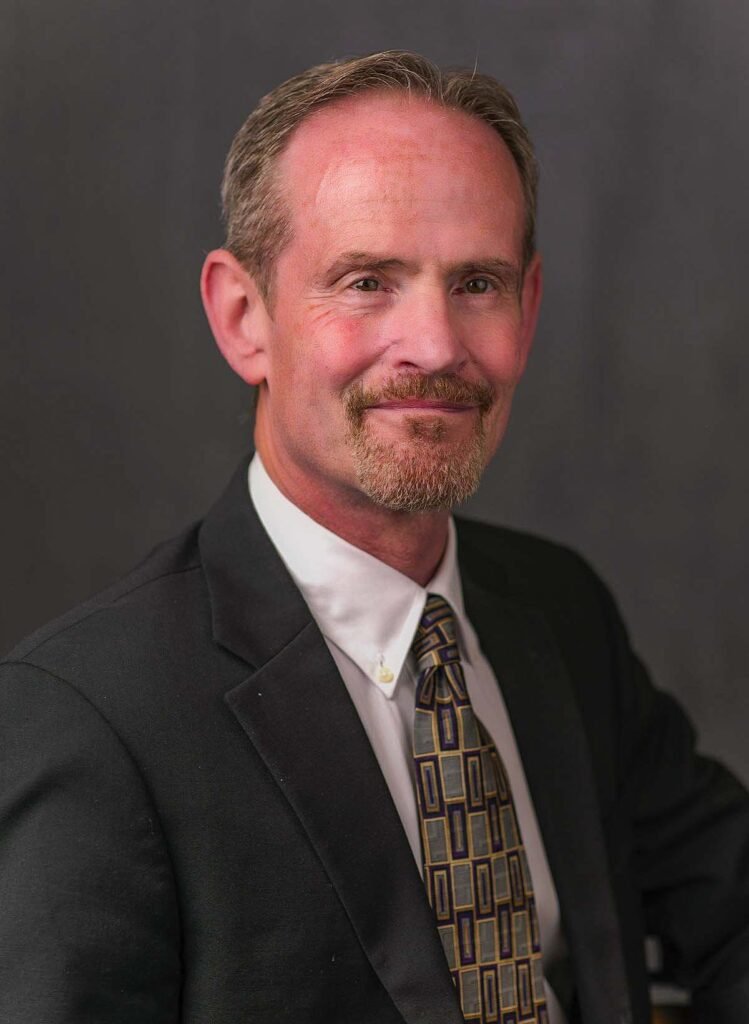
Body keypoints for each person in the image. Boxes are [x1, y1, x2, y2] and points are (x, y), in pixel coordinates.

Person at [0, 50, 747, 1024]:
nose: (434, 345)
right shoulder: (93, 718)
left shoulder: (557, 614)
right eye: (366, 280)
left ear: (525, 311)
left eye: (475, 282)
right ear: (243, 317)